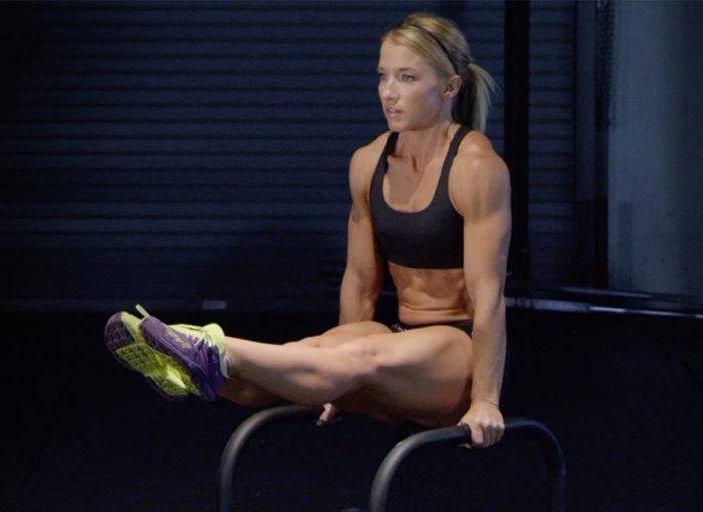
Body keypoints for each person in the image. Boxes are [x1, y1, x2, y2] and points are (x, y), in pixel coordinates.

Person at [105, 12, 511, 448]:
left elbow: (488, 298)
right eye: (383, 77)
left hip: (456, 357)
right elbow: (360, 281)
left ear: (449, 88)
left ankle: (211, 346)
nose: (388, 94)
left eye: (407, 78)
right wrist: (335, 381)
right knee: (306, 354)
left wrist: (485, 401)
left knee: (357, 356)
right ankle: (189, 368)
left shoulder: (476, 169)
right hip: (395, 341)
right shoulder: (368, 163)